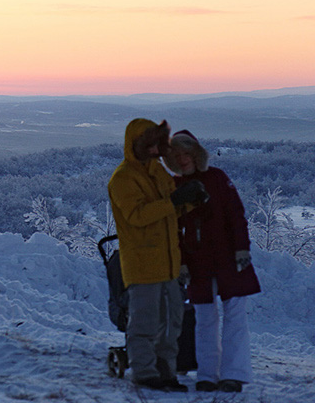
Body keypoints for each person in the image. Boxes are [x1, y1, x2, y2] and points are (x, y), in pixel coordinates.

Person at [107, 118, 208, 392]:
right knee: (145, 323)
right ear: (135, 145)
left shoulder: (159, 173)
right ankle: (145, 374)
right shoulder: (123, 179)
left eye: (157, 144)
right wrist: (174, 201)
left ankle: (167, 373)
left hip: (168, 264)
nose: (154, 150)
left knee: (172, 323)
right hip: (142, 265)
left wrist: (188, 203)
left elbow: (167, 214)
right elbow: (138, 216)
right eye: (148, 145)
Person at [165, 130, 261, 394]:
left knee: (235, 317)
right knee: (205, 318)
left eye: (187, 153)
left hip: (229, 257)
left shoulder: (217, 178)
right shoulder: (175, 187)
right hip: (198, 262)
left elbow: (236, 214)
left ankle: (233, 375)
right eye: (177, 155)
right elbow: (174, 229)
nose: (183, 159)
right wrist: (182, 263)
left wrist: (242, 248)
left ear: (196, 154)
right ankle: (207, 375)